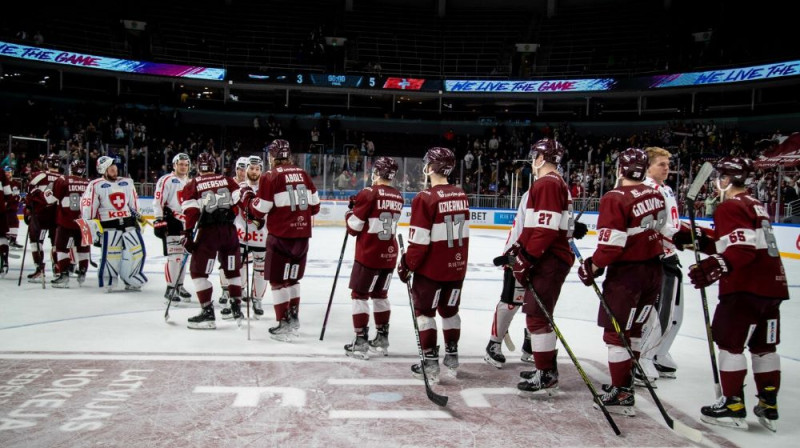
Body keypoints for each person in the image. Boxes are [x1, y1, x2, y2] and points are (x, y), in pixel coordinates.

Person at [688, 157, 787, 432]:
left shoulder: (730, 206)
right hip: (772, 288)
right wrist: (703, 242)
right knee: (764, 347)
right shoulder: (756, 205)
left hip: (744, 288)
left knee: (731, 345)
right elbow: (739, 242)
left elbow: (740, 250)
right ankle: (769, 403)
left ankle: (732, 405)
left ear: (726, 180)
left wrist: (715, 266)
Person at [576, 147, 666, 416]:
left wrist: (591, 266)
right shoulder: (655, 193)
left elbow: (612, 246)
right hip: (654, 271)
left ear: (620, 170)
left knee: (616, 333)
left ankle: (622, 392)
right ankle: (626, 382)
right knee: (634, 330)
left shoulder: (615, 198)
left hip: (627, 276)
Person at [510, 139, 582, 396]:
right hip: (550, 258)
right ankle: (545, 369)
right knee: (539, 315)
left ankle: (546, 374)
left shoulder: (548, 183)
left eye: (534, 156)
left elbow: (545, 229)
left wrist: (526, 258)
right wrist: (520, 248)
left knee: (537, 317)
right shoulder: (555, 183)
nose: (532, 160)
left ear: (541, 158)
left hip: (548, 260)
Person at [396, 147, 469, 381]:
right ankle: (452, 355)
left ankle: (429, 363)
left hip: (431, 270)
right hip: (456, 268)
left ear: (432, 167)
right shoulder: (461, 194)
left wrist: (407, 264)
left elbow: (419, 241)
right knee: (450, 311)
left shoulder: (425, 198)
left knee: (425, 313)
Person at [242, 139, 320, 341]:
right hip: (303, 237)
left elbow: (260, 210)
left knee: (278, 281)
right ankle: (293, 319)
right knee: (293, 279)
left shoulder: (270, 176)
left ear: (272, 157)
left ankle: (283, 322)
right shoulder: (303, 174)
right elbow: (316, 206)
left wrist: (248, 200)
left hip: (281, 237)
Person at [638, 147, 700, 383]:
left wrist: (691, 235)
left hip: (670, 256)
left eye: (668, 163)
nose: (667, 168)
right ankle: (642, 356)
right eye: (661, 164)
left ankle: (658, 352)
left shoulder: (666, 190)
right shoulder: (645, 191)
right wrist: (675, 238)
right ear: (648, 166)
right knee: (659, 314)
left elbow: (672, 223)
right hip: (657, 258)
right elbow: (650, 228)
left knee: (675, 314)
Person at [342, 156, 403, 359]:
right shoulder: (398, 196)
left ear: (377, 172)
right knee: (380, 295)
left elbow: (354, 227)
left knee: (359, 295)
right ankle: (382, 338)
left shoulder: (368, 193)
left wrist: (350, 212)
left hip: (369, 255)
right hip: (389, 255)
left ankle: (360, 341)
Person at [180, 153, 245, 329]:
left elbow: (192, 213)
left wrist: (187, 235)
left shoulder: (193, 184)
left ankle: (208, 313)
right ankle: (236, 307)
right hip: (230, 231)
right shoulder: (227, 181)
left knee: (199, 273)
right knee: (233, 271)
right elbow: (240, 202)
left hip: (208, 233)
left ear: (198, 167)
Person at [80, 155, 147, 291]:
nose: (114, 169)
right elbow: (88, 208)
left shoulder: (127, 182)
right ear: (103, 170)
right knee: (112, 255)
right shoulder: (95, 185)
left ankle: (131, 277)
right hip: (109, 225)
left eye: (114, 166)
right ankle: (109, 280)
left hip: (128, 223)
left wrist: (139, 218)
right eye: (110, 167)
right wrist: (92, 228)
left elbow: (133, 204)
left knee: (137, 252)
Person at [223, 155, 267, 320]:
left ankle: (257, 300)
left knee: (260, 272)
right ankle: (235, 299)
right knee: (237, 269)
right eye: (251, 168)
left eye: (257, 169)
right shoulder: (238, 187)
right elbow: (234, 208)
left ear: (261, 170)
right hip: (241, 237)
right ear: (246, 169)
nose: (254, 172)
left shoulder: (267, 187)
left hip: (262, 237)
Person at [153, 153, 191, 301]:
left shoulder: (189, 181)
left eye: (186, 164)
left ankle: (179, 285)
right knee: (174, 256)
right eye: (180, 164)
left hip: (186, 223)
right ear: (174, 165)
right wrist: (158, 219)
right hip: (172, 221)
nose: (183, 167)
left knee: (183, 257)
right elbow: (158, 200)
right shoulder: (166, 180)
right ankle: (170, 287)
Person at [48, 160, 90, 287]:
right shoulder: (89, 183)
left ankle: (64, 275)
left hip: (66, 221)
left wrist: (45, 193)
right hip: (84, 222)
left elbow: (51, 199)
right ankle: (82, 272)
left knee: (61, 247)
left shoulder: (62, 180)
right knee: (84, 248)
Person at [217, 157, 251, 306]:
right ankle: (225, 290)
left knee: (243, 262)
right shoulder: (227, 184)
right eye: (240, 169)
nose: (243, 172)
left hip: (244, 230)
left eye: (245, 169)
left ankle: (241, 289)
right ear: (236, 169)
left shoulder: (251, 186)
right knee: (225, 261)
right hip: (228, 228)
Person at [25, 154, 61, 281]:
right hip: (57, 216)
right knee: (57, 244)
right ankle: (57, 268)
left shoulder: (40, 175)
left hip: (40, 215)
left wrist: (28, 209)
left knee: (36, 242)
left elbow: (29, 191)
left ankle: (40, 269)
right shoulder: (63, 178)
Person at [4, 166, 23, 250]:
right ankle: (8, 239)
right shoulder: (2, 183)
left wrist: (17, 198)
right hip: (4, 207)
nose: (7, 173)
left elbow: (17, 195)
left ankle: (12, 239)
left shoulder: (16, 183)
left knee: (14, 222)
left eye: (8, 172)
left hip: (12, 206)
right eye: (5, 172)